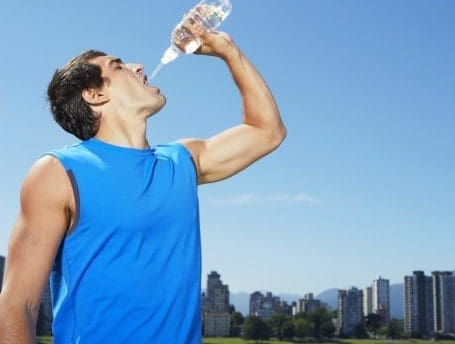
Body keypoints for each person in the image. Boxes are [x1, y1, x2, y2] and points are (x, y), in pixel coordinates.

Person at [0, 28, 286, 343]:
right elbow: (18, 304)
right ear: (95, 94)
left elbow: (267, 130)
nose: (138, 66)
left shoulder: (181, 161)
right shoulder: (59, 173)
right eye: (118, 65)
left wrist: (228, 50)